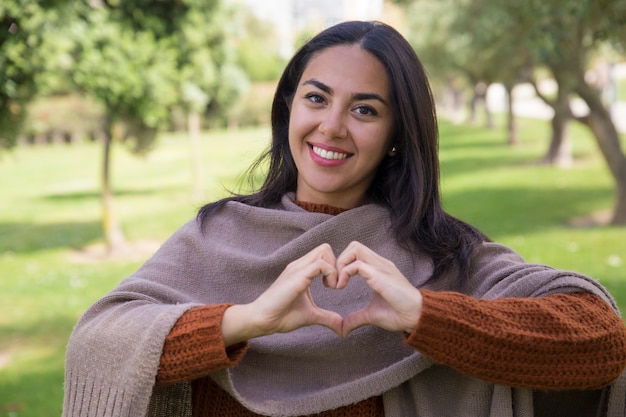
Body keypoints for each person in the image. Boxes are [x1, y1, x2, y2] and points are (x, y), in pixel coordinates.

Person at [63, 21, 626, 417]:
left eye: (364, 110)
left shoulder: (445, 255)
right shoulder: (217, 236)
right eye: (316, 98)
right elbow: (100, 339)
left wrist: (424, 314)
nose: (332, 126)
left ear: (398, 136)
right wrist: (243, 320)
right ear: (289, 108)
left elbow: (600, 338)